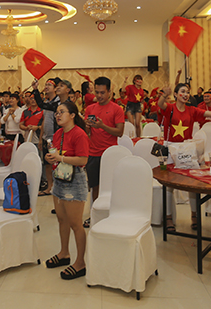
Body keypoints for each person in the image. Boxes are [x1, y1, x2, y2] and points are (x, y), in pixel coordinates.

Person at [158, 83, 211, 232]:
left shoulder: (192, 110)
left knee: (190, 183)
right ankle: (168, 218)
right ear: (176, 94)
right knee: (168, 185)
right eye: (182, 91)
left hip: (186, 148)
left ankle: (194, 216)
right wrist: (163, 94)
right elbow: (160, 104)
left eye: (187, 92)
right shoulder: (170, 108)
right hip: (170, 148)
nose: (185, 94)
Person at [44, 101, 90, 280]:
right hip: (60, 178)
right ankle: (64, 253)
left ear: (72, 115)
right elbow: (56, 155)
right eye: (57, 112)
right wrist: (51, 159)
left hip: (74, 180)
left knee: (75, 223)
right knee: (62, 219)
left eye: (62, 112)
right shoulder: (58, 134)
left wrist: (60, 157)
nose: (58, 115)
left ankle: (80, 262)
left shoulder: (79, 134)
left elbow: (83, 159)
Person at [84, 76, 125, 228]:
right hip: (93, 153)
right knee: (95, 187)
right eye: (97, 92)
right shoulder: (90, 109)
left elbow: (119, 132)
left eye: (102, 92)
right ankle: (94, 215)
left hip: (110, 155)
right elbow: (87, 132)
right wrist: (88, 126)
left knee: (112, 187)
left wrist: (102, 126)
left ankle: (113, 214)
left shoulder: (117, 109)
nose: (99, 96)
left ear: (109, 92)